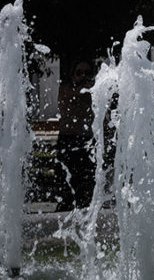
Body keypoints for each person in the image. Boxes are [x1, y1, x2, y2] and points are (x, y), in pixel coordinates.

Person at [56, 59, 96, 210]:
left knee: (86, 188)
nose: (83, 76)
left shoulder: (92, 92)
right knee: (65, 186)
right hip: (67, 141)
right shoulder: (65, 89)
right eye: (79, 73)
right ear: (73, 75)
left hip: (86, 142)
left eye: (87, 73)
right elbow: (76, 94)